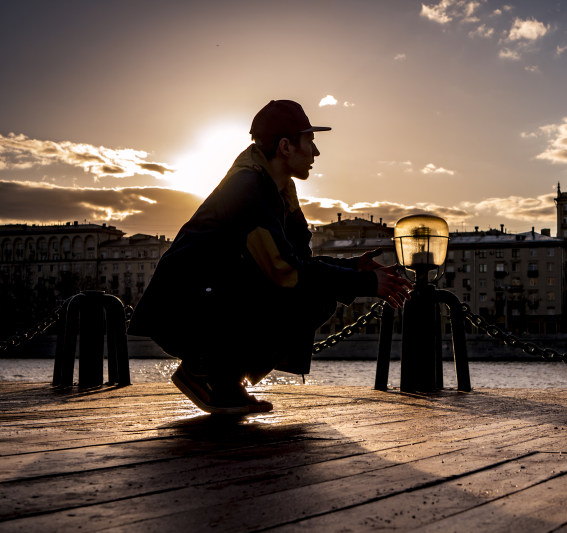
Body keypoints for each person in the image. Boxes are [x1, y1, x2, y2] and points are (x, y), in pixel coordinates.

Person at [128, 100, 413, 415]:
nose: (316, 152)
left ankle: (223, 379)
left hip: (207, 302)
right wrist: (365, 282)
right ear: (286, 146)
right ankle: (204, 370)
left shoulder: (278, 190)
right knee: (309, 295)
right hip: (180, 311)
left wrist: (352, 268)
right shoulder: (248, 188)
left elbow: (300, 260)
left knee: (318, 297)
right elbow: (286, 272)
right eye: (310, 141)